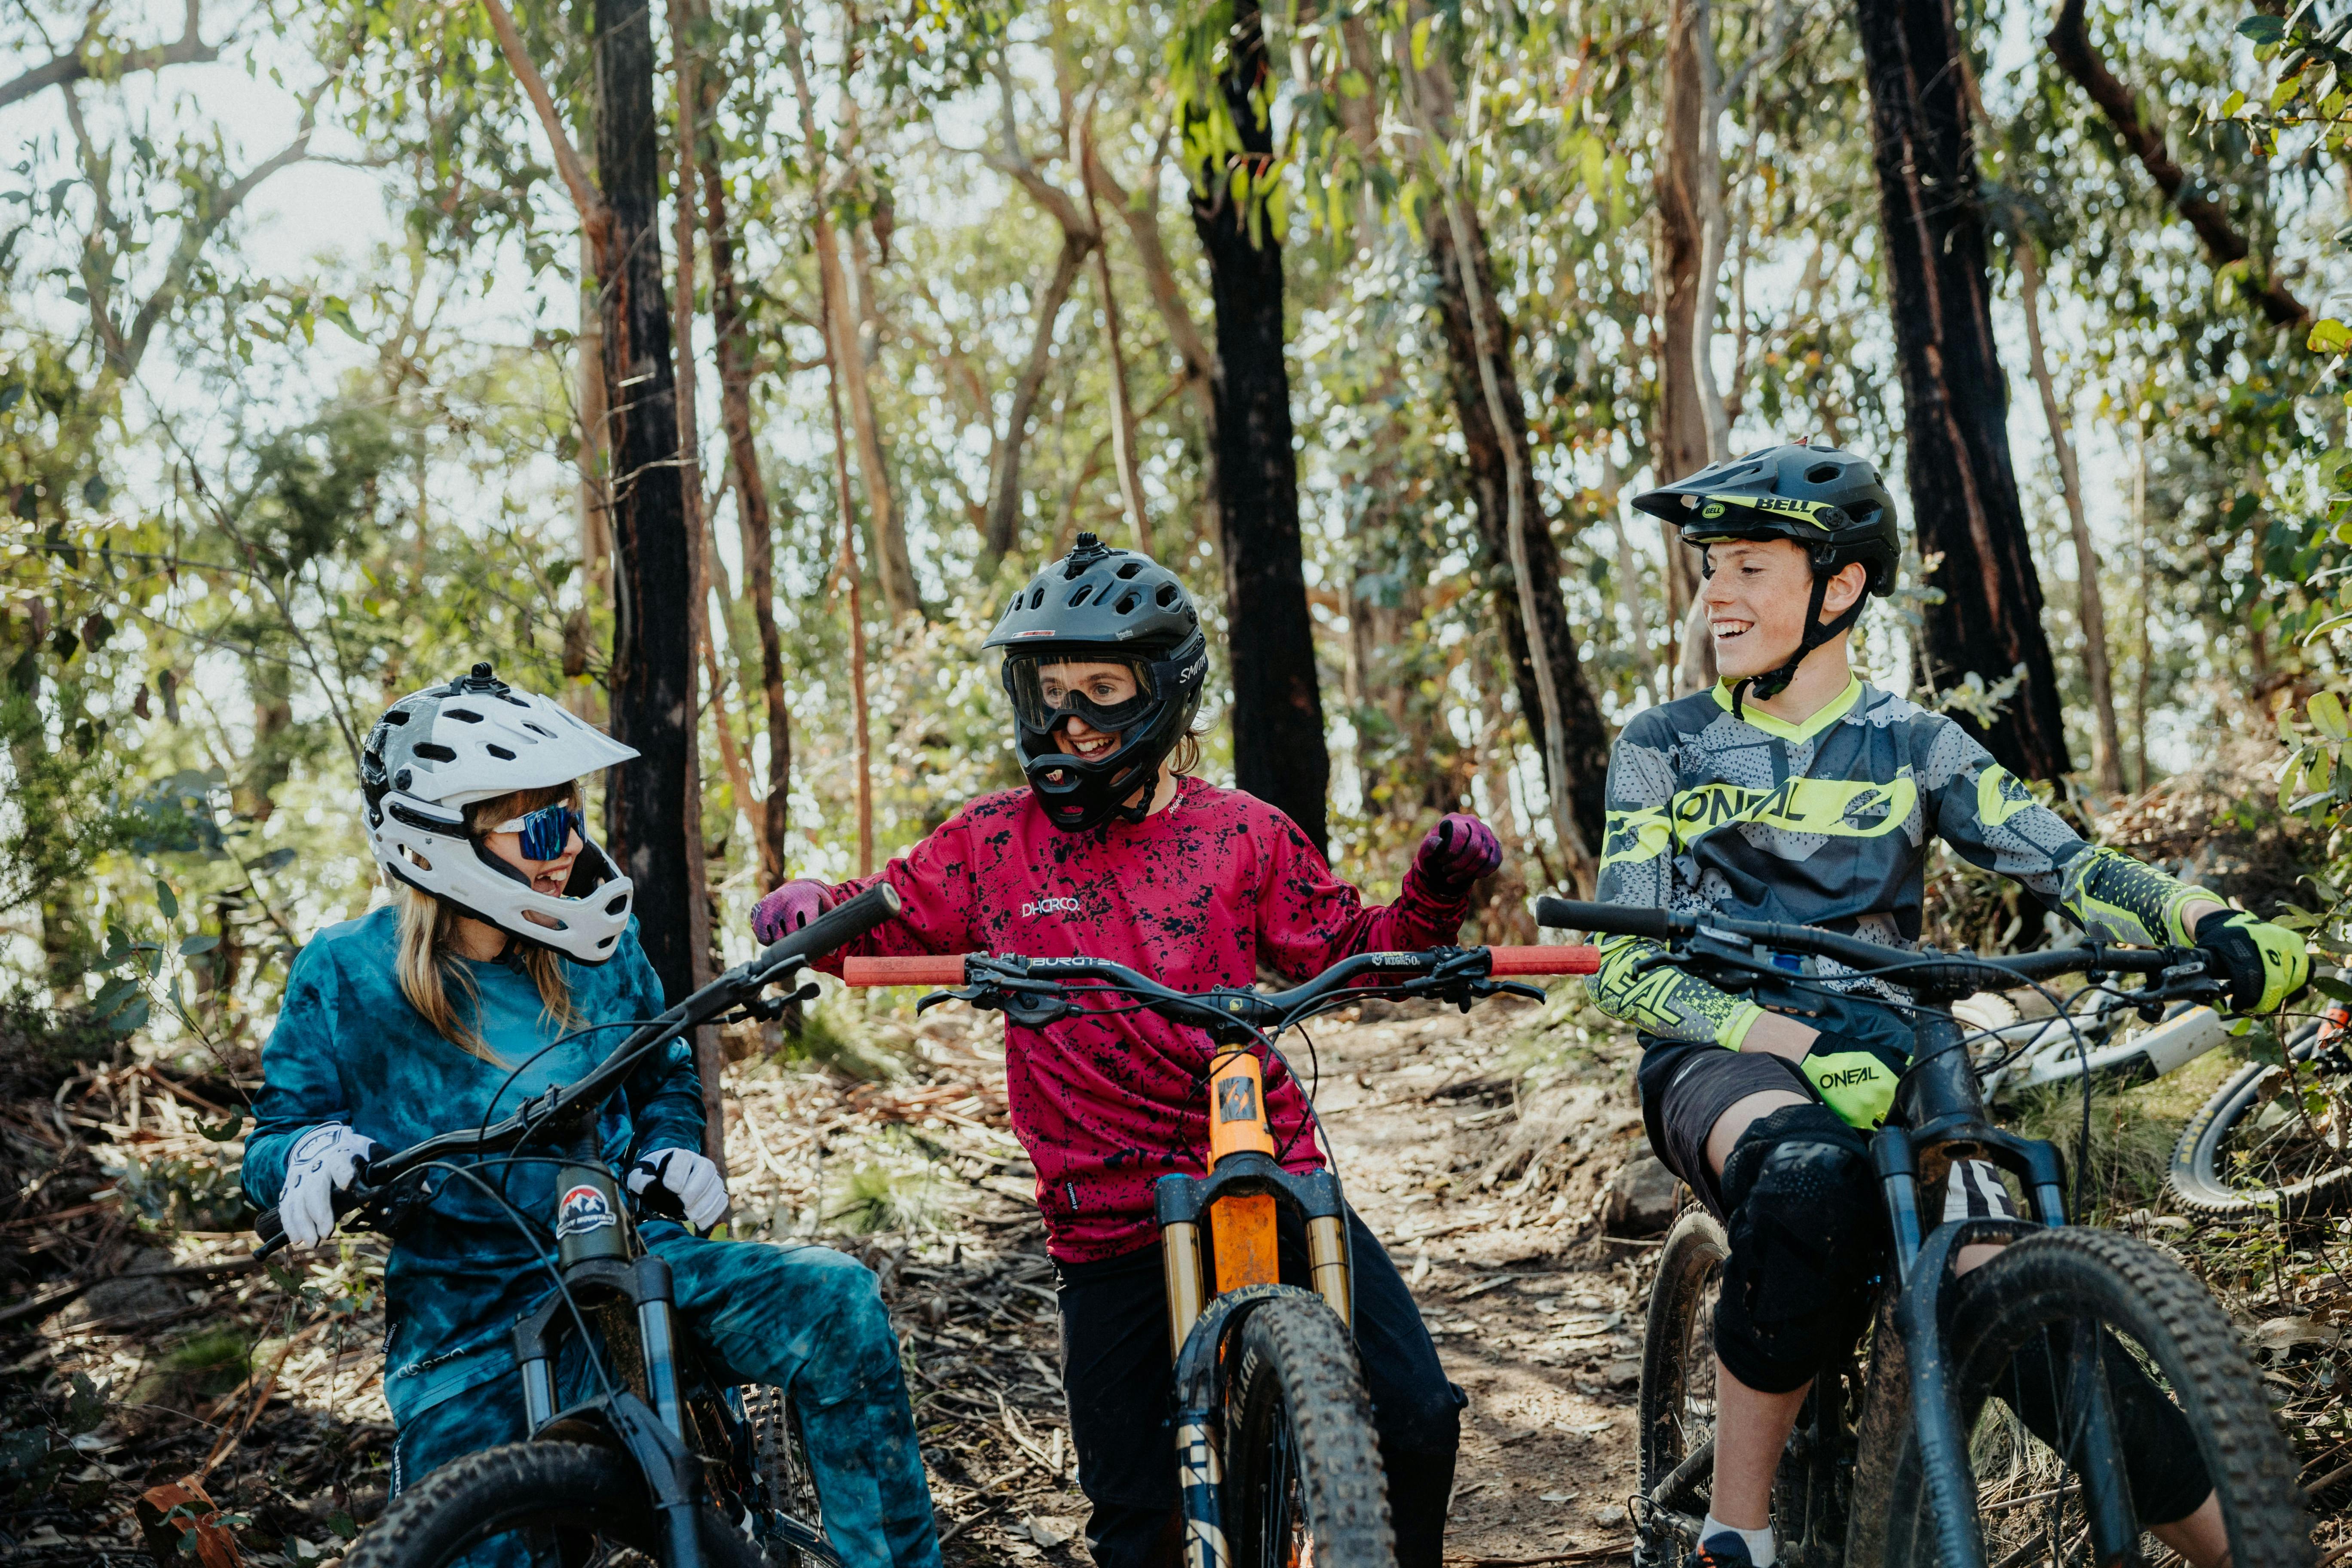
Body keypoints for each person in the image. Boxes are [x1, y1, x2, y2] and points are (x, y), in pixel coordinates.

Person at [1595, 445, 2309, 1568]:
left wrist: (2197, 917)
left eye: (1747, 567)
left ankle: (2257, 1554)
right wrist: (1790, 1041)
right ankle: (1736, 1535)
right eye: (1708, 570)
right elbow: (1634, 974)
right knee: (1809, 1177)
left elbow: (2069, 864)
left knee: (2028, 1309)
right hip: (1723, 1045)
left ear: (1839, 588)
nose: (1715, 597)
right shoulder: (1665, 748)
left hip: (1900, 1038)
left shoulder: (1914, 744)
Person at [749, 533, 1504, 1568]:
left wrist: (1434, 896)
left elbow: (1355, 949)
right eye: (1049, 688)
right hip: (1103, 1219)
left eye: (1102, 688)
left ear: (1164, 694)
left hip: (1265, 1170)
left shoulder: (1243, 834)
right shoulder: (990, 841)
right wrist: (814, 916)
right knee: (1135, 1525)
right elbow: (884, 919)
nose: (1071, 717)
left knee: (1417, 1419)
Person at [242, 663, 942, 1568]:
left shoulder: (600, 950)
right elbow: (271, 1139)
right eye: (538, 823)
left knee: (833, 1300)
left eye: (571, 813)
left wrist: (668, 1155)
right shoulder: (345, 974)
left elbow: (663, 1082)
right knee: (466, 1544)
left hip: (627, 1264)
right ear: (437, 842)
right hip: (467, 1320)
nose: (567, 845)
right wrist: (308, 1157)